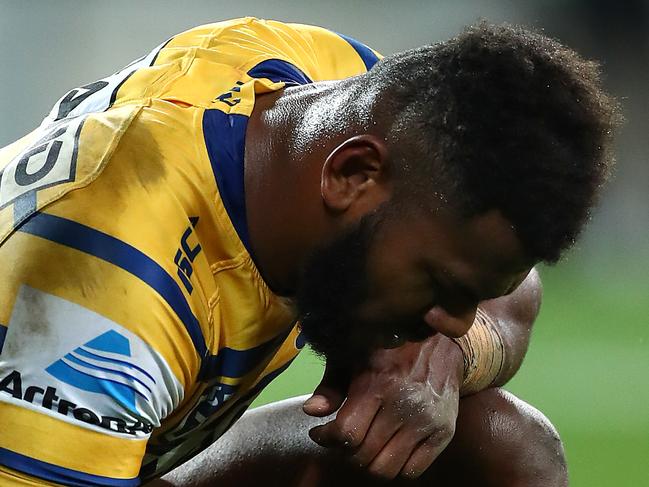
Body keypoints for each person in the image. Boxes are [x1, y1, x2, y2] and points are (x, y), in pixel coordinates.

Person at [0, 17, 618, 486]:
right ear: (351, 175)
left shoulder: (336, 89)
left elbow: (514, 298)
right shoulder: (107, 287)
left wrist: (453, 353)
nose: (451, 320)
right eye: (440, 287)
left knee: (500, 442)